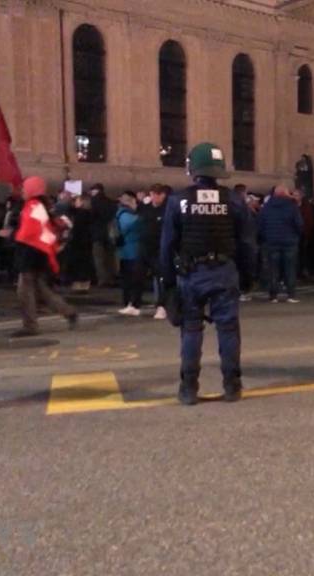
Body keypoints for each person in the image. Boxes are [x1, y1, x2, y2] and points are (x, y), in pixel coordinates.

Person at [160, 142, 251, 405]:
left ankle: (189, 388)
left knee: (191, 329)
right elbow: (247, 242)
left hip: (191, 274)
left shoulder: (178, 201)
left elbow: (167, 245)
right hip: (224, 271)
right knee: (228, 329)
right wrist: (247, 275)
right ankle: (232, 386)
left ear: (194, 168)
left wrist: (167, 282)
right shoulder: (234, 200)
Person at [13, 176, 78, 337]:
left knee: (25, 291)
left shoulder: (33, 206)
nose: (22, 191)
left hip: (30, 254)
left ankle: (30, 325)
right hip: (37, 254)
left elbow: (29, 233)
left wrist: (13, 237)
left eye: (25, 188)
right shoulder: (40, 206)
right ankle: (68, 312)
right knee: (40, 289)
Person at [258, 185, 304, 303]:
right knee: (290, 268)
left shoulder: (267, 207)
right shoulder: (292, 206)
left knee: (273, 269)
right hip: (290, 241)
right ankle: (291, 294)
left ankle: (273, 295)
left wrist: (265, 237)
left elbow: (260, 224)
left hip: (272, 241)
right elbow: (299, 224)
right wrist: (297, 235)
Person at [140, 184, 170, 319]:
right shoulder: (146, 209)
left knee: (161, 278)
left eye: (156, 195)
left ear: (162, 195)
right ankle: (136, 303)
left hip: (161, 248)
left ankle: (162, 305)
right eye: (151, 194)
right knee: (142, 275)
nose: (153, 197)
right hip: (147, 247)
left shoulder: (167, 209)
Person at [115, 190, 143, 316]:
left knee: (128, 278)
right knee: (131, 279)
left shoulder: (121, 213)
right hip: (131, 251)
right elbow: (132, 225)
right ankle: (130, 302)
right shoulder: (127, 215)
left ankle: (129, 302)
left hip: (125, 251)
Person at [62, 193, 96, 292]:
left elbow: (77, 228)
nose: (75, 203)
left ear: (82, 202)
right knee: (86, 263)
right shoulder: (89, 213)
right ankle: (85, 284)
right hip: (87, 241)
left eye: (77, 201)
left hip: (78, 242)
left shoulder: (80, 214)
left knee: (78, 264)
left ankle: (79, 285)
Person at [89, 183, 117, 287]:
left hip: (97, 233)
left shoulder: (93, 202)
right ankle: (111, 278)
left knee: (98, 258)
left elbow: (91, 217)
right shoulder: (110, 202)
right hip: (109, 233)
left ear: (95, 191)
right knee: (110, 257)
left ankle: (102, 279)